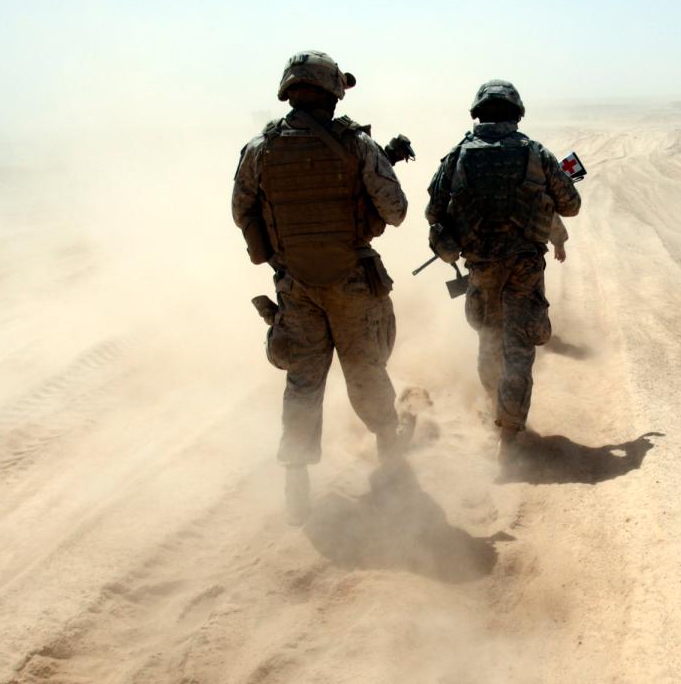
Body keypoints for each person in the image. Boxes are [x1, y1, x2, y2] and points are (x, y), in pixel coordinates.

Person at [232, 50, 411, 524]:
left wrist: (272, 255)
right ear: (332, 93)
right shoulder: (356, 145)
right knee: (366, 369)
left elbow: (241, 210)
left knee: (304, 381)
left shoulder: (259, 148)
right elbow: (395, 209)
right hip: (352, 281)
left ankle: (296, 479)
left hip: (295, 286)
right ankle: (389, 455)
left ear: (289, 91)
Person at [425, 80, 581, 462]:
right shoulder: (535, 153)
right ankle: (509, 432)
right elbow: (571, 205)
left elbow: (434, 213)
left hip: (481, 267)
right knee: (519, 347)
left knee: (489, 338)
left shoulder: (458, 154)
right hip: (524, 266)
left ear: (478, 112)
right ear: (516, 113)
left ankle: (492, 407)